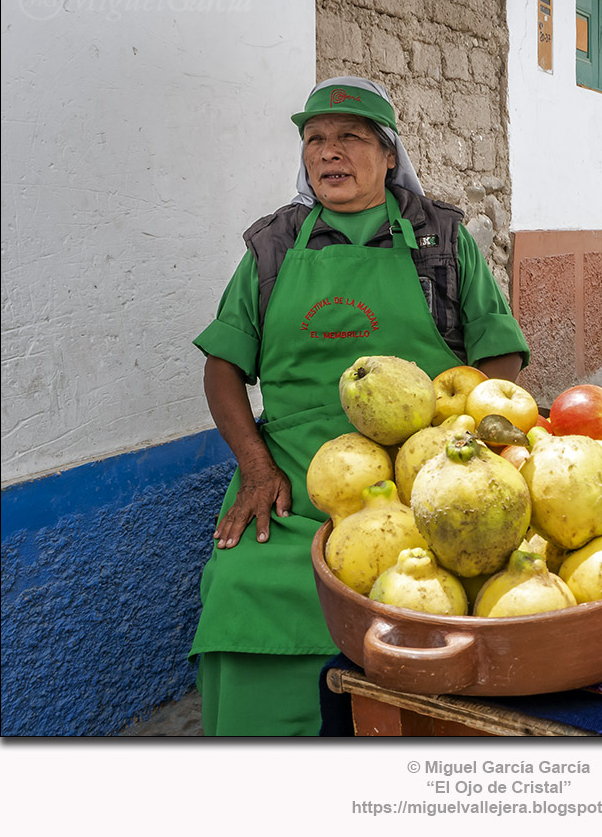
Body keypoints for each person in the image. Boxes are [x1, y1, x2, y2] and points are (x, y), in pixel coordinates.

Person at [188, 76, 530, 736]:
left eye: (349, 137)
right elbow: (222, 366)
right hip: (291, 485)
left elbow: (499, 357)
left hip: (419, 480)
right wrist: (256, 467)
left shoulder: (441, 242)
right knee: (241, 584)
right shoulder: (273, 248)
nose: (328, 152)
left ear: (390, 153)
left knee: (433, 602)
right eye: (315, 139)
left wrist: (463, 446)